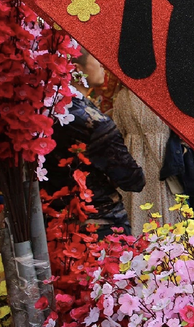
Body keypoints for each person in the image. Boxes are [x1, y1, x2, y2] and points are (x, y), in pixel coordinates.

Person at [43, 48, 145, 238]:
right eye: (95, 59)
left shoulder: (45, 109)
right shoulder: (94, 122)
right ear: (76, 68)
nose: (101, 65)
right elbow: (133, 179)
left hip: (51, 223)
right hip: (98, 226)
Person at [112, 87, 178, 235]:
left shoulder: (122, 96)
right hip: (162, 157)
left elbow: (117, 131)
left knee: (134, 204)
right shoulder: (167, 94)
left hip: (132, 158)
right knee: (165, 203)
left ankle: (136, 242)